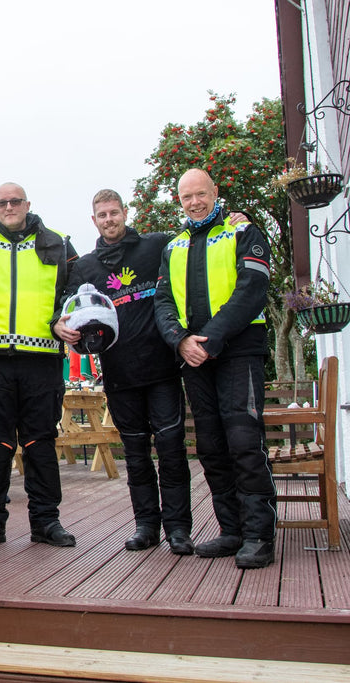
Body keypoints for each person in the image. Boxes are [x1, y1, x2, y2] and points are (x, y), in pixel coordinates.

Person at [56, 189, 192, 555]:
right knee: (134, 455)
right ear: (94, 220)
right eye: (102, 215)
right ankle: (146, 526)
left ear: (125, 213)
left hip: (162, 369)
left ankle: (178, 529)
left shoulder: (156, 246)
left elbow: (196, 233)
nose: (109, 220)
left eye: (114, 213)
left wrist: (236, 218)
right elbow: (64, 309)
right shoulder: (85, 266)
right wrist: (59, 326)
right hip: (119, 374)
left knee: (171, 451)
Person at [154, 168, 276, 569]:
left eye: (200, 194)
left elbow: (252, 291)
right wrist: (179, 340)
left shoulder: (244, 232)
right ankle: (231, 531)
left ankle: (259, 535)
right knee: (210, 446)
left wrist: (209, 338)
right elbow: (163, 302)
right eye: (186, 197)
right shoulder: (172, 247)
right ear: (180, 201)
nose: (194, 202)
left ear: (215, 192)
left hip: (239, 352)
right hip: (193, 358)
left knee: (244, 441)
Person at [0, 183, 78, 549]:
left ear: (28, 204)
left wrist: (64, 317)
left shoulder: (59, 241)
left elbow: (76, 291)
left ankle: (46, 522)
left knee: (41, 442)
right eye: (2, 202)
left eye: (15, 201)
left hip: (42, 358)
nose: (9, 206)